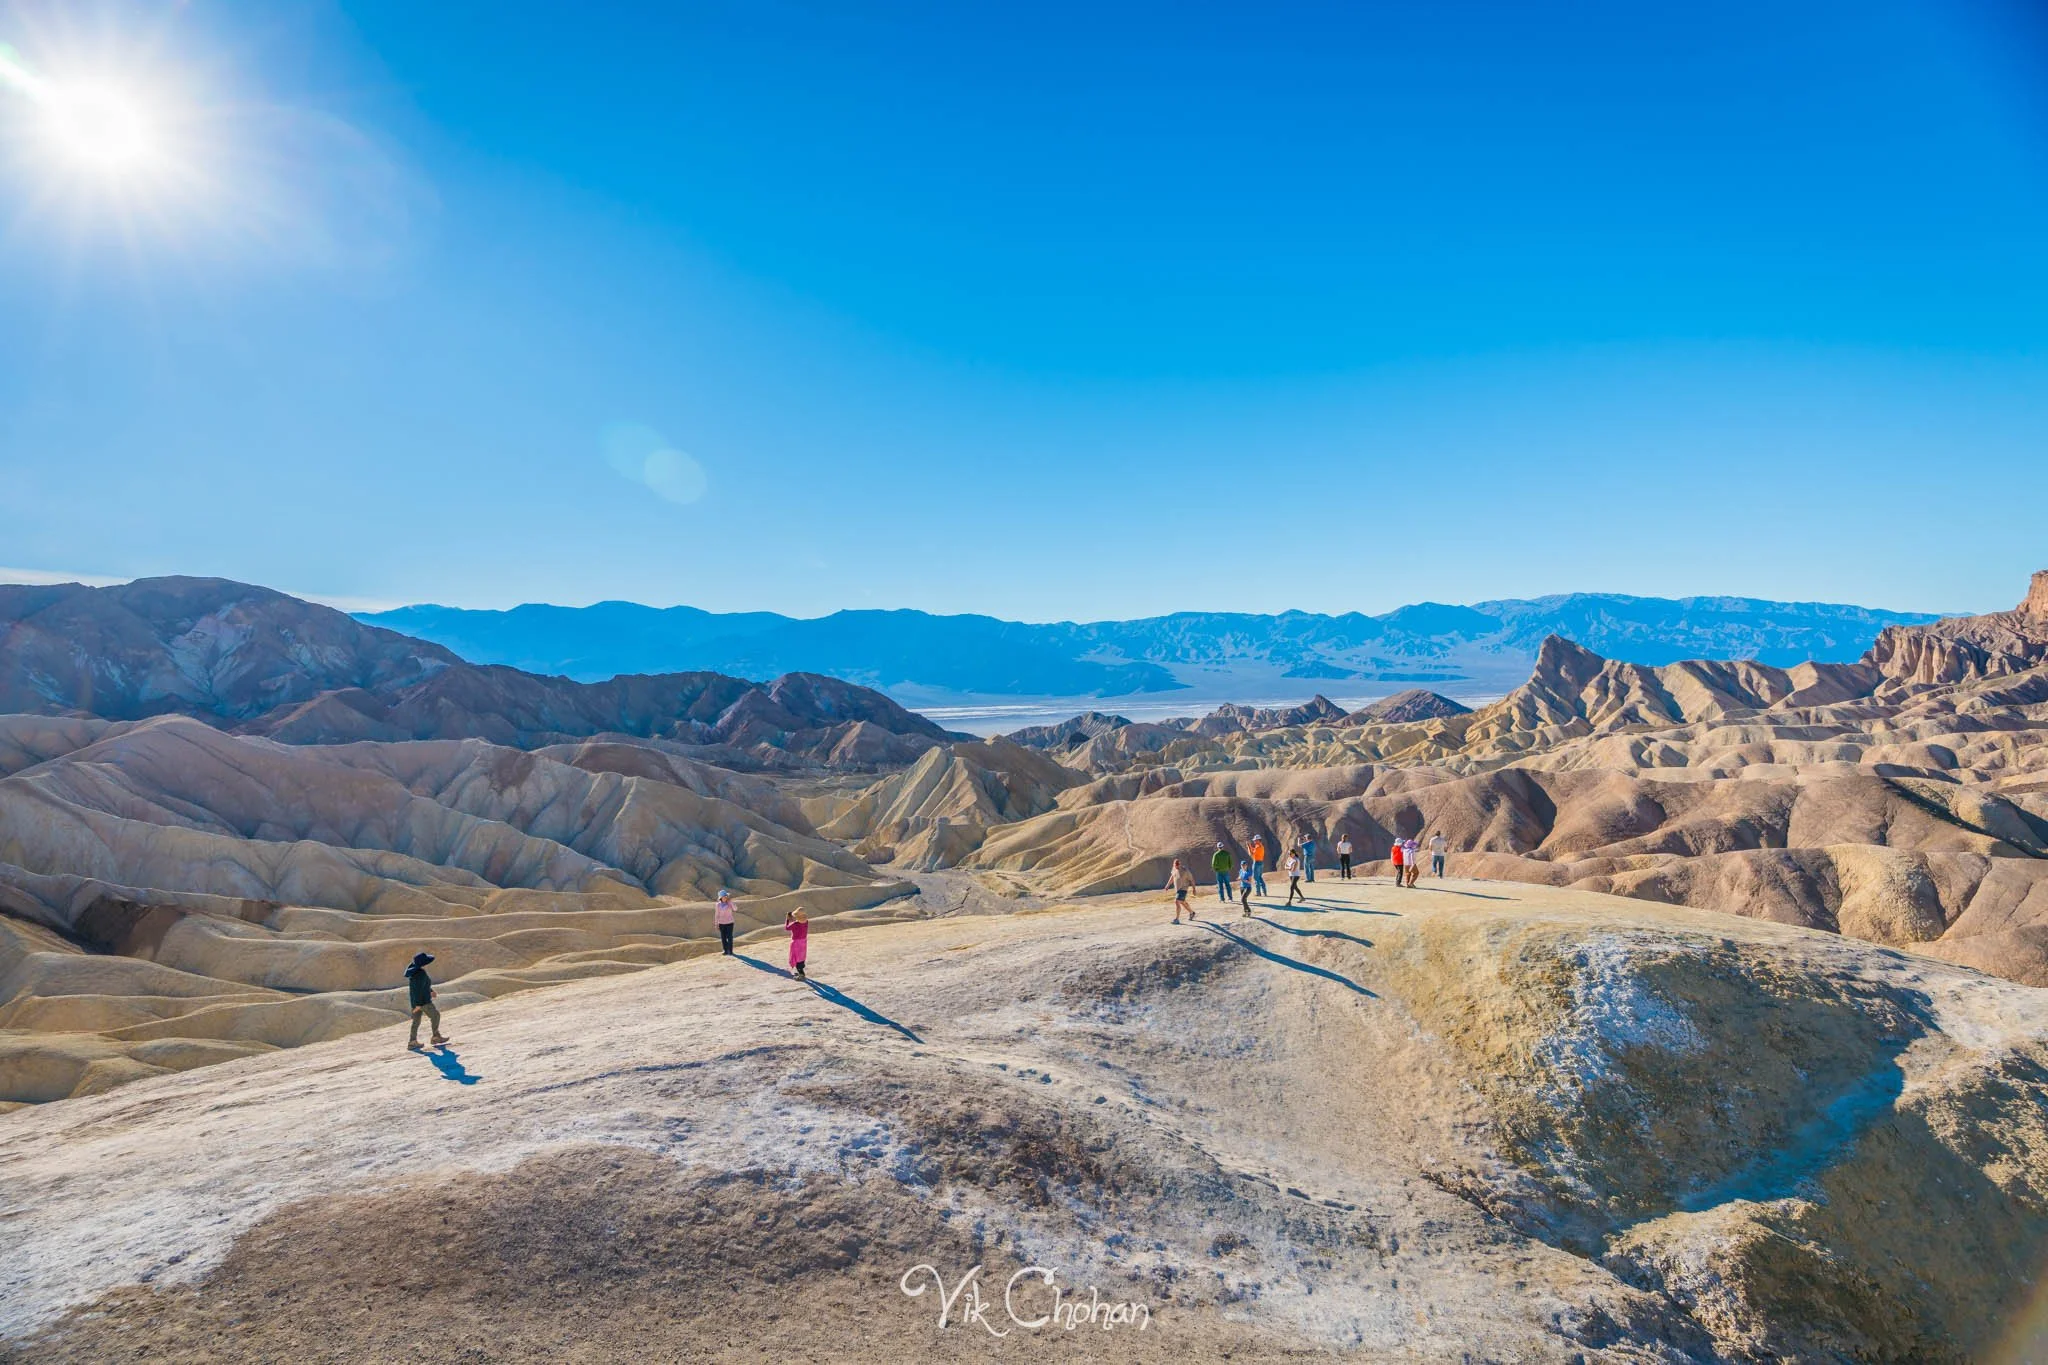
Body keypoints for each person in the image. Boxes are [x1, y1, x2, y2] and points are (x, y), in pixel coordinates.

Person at [404, 951, 449, 1052]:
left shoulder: (415, 973)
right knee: (436, 1016)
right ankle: (436, 1037)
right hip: (423, 1002)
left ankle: (412, 1042)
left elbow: (422, 986)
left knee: (416, 1022)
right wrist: (418, 1005)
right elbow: (418, 990)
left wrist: (431, 991)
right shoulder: (420, 973)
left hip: (416, 1002)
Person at [1166, 858, 1197, 924]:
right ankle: (1192, 913)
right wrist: (1168, 885)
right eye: (1175, 866)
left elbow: (1192, 880)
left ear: (1180, 864)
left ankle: (1177, 919)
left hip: (1183, 889)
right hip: (1177, 889)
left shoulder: (1185, 871)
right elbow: (1172, 877)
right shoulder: (1174, 869)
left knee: (1177, 901)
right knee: (1182, 902)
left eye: (1177, 865)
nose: (1176, 867)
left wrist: (1194, 889)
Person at [784, 906, 810, 979]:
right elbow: (798, 923)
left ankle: (801, 974)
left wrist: (788, 919)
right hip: (803, 941)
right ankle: (800, 971)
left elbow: (787, 928)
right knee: (801, 956)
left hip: (796, 942)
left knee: (796, 957)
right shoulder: (806, 922)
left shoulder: (795, 924)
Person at [714, 888, 737, 955]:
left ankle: (730, 951)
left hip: (730, 923)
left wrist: (731, 902)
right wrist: (716, 924)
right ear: (720, 898)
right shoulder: (718, 905)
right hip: (721, 923)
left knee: (729, 937)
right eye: (723, 897)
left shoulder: (730, 903)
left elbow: (735, 909)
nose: (725, 898)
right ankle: (725, 950)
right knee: (723, 938)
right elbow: (717, 915)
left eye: (725, 896)